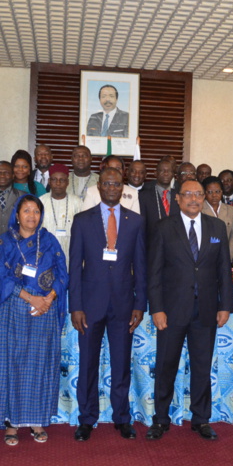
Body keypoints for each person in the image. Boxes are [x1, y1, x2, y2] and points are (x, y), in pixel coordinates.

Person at [146, 179, 233, 441]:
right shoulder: (163, 227)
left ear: (204, 197)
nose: (194, 199)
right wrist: (157, 308)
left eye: (198, 194)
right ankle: (161, 419)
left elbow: (224, 270)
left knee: (202, 366)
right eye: (188, 194)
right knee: (166, 365)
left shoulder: (217, 226)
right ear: (178, 198)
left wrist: (225, 306)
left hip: (206, 310)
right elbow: (154, 272)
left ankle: (201, 419)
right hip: (171, 311)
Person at [69, 168, 147, 441]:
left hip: (124, 305)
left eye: (116, 184)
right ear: (99, 187)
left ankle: (122, 417)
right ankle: (86, 418)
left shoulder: (135, 221)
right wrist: (75, 306)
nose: (112, 188)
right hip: (89, 305)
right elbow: (75, 267)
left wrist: (140, 304)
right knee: (88, 363)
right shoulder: (82, 220)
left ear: (122, 188)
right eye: (107, 184)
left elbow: (141, 266)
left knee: (121, 364)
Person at [0, 194, 68, 446]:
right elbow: (0, 276)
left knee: (40, 363)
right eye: (26, 211)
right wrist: (31, 298)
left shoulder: (49, 240)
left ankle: (36, 420)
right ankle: (11, 423)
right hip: (14, 307)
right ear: (17, 215)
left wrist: (49, 298)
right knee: (12, 363)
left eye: (36, 211)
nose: (32, 216)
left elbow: (62, 273)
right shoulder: (4, 242)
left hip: (45, 309)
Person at [40, 164, 82, 254]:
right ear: (49, 181)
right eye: (54, 179)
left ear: (67, 182)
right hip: (46, 252)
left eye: (62, 180)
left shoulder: (77, 202)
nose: (58, 183)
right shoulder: (41, 202)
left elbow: (83, 231)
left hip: (70, 252)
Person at [139, 157, 179, 241]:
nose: (166, 173)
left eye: (169, 171)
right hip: (152, 243)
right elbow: (141, 226)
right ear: (155, 173)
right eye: (162, 171)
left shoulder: (179, 196)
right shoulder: (144, 196)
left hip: (175, 244)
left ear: (173, 174)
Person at [201, 176, 233, 259]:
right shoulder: (199, 210)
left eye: (217, 191)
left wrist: (228, 256)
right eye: (210, 192)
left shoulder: (230, 209)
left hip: (226, 255)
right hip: (205, 257)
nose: (214, 195)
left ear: (222, 192)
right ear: (204, 193)